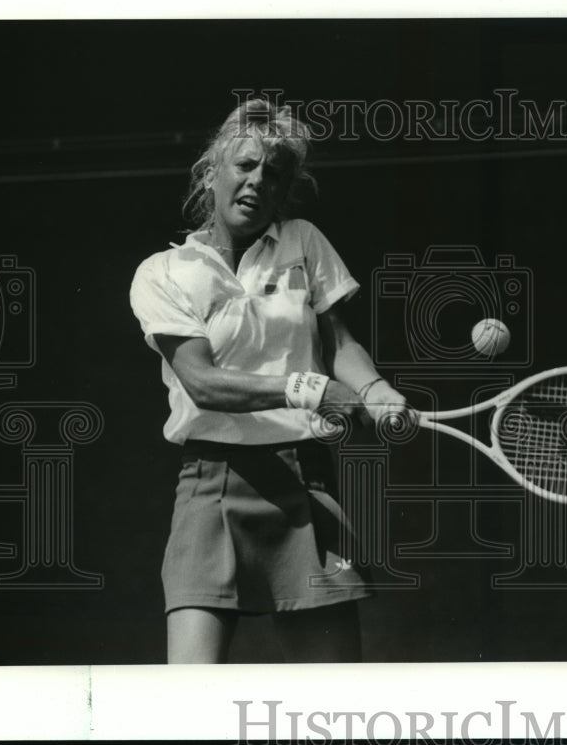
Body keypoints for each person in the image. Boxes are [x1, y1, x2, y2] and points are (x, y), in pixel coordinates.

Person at [129, 98, 409, 664]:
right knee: (188, 702)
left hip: (304, 481)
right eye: (246, 166)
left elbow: (339, 345)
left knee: (336, 707)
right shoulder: (161, 273)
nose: (258, 181)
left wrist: (376, 391)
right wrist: (310, 389)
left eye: (274, 174)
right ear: (212, 172)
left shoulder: (303, 241)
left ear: (285, 192)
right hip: (211, 486)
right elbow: (202, 383)